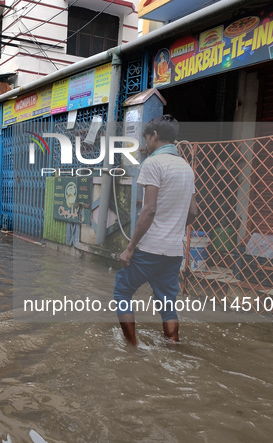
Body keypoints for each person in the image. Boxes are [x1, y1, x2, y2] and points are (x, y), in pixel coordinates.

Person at [113, 115, 197, 346]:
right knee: (167, 305)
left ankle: (132, 347)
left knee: (122, 292)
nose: (146, 144)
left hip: (149, 248)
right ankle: (173, 346)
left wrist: (130, 249)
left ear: (155, 136)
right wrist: (173, 229)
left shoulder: (153, 163)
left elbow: (148, 210)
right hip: (173, 251)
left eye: (146, 138)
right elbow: (193, 211)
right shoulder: (186, 168)